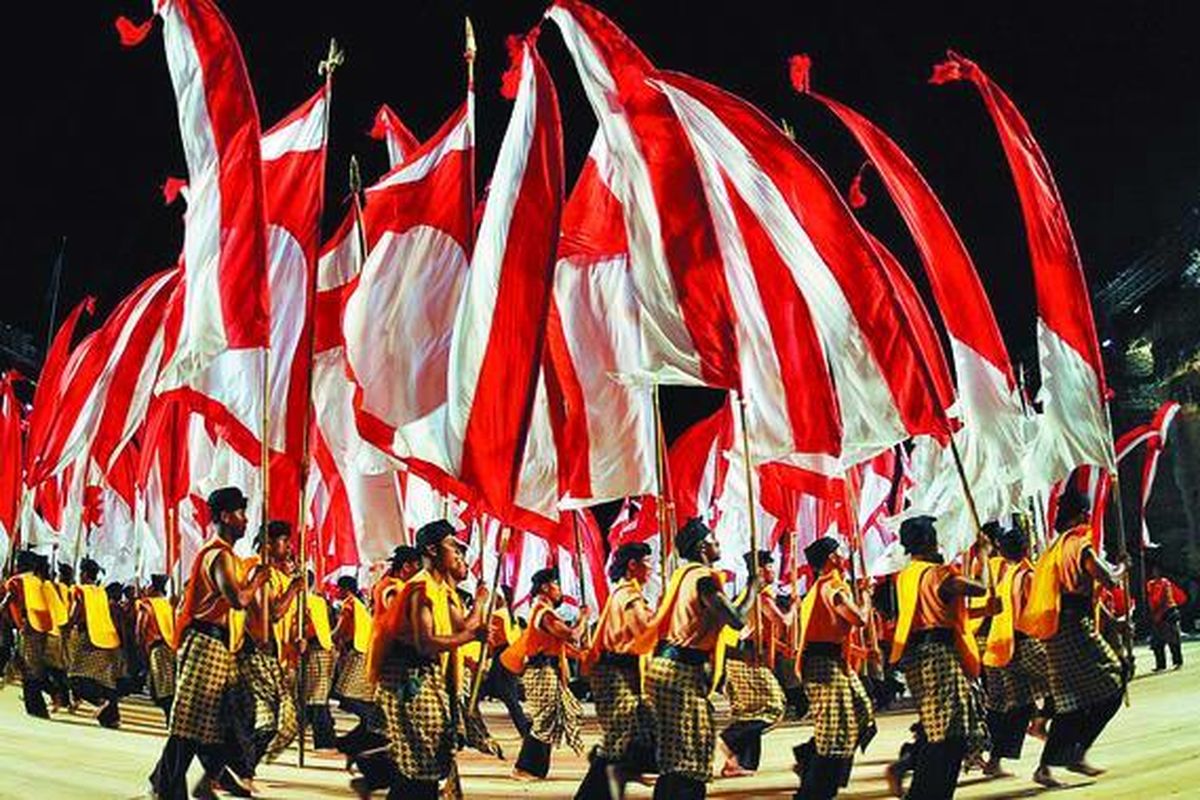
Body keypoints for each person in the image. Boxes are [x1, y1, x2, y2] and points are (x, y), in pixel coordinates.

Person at [148, 486, 274, 800]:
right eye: (240, 513)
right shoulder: (219, 555)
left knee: (212, 722)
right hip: (206, 643)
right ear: (223, 516)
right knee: (193, 720)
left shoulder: (228, 556)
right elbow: (237, 600)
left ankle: (191, 781)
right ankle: (166, 785)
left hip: (217, 646)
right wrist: (257, 579)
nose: (245, 520)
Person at [369, 519, 488, 799]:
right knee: (424, 760)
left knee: (430, 757)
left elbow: (463, 627)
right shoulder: (420, 589)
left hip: (428, 678)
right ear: (433, 550)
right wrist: (472, 637)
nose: (458, 552)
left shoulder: (443, 590)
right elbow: (426, 643)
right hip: (409, 678)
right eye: (452, 547)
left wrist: (481, 604)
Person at [647, 518, 759, 800]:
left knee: (683, 747)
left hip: (673, 667)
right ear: (701, 548)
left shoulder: (683, 575)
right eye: (714, 541)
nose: (718, 545)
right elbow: (734, 620)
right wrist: (753, 587)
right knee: (689, 748)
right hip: (678, 670)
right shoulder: (703, 580)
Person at [1022, 487, 1126, 787]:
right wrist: (1122, 568)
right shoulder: (1079, 544)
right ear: (1081, 515)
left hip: (1055, 630)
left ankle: (1048, 767)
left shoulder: (1051, 550)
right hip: (1073, 627)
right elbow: (1105, 577)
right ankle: (1076, 752)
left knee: (1069, 701)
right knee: (1114, 680)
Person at [884, 516, 990, 800]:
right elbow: (980, 588)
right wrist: (983, 556)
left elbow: (936, 612)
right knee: (948, 733)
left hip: (916, 655)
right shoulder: (938, 573)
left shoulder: (906, 575)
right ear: (930, 542)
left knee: (938, 729)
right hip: (938, 655)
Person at [792, 537, 876, 800]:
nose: (844, 555)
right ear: (831, 557)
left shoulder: (827, 587)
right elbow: (859, 619)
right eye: (839, 551)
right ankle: (814, 789)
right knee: (834, 732)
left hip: (834, 663)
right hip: (823, 667)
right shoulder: (832, 589)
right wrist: (866, 596)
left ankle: (809, 756)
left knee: (861, 713)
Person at [576, 542, 658, 799]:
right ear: (632, 565)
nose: (651, 567)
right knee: (622, 733)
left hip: (618, 671)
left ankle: (617, 777)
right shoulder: (628, 596)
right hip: (615, 672)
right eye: (647, 561)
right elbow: (644, 633)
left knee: (627, 732)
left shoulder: (624, 593)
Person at [225, 520, 302, 791]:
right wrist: (294, 588)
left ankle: (238, 772)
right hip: (254, 654)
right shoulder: (258, 570)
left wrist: (295, 643)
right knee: (271, 723)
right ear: (269, 544)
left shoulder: (273, 574)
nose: (290, 547)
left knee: (278, 722)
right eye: (285, 541)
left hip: (271, 658)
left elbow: (281, 621)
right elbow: (271, 615)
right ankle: (239, 772)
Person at [980, 525, 1051, 779]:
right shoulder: (1026, 575)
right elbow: (1035, 613)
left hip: (999, 646)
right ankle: (1041, 722)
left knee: (1016, 706)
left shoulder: (1003, 571)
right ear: (1026, 547)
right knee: (1062, 682)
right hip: (1021, 643)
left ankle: (995, 761)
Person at [511, 567, 589, 780]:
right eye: (556, 584)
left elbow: (559, 644)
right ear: (545, 587)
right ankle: (524, 767)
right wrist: (583, 618)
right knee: (545, 718)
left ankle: (535, 768)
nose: (559, 590)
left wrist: (582, 655)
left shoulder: (542, 609)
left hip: (548, 669)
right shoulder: (543, 612)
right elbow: (570, 635)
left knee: (552, 716)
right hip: (542, 671)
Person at [717, 550, 789, 778]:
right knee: (772, 706)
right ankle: (729, 739)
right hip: (744, 657)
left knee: (750, 710)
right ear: (758, 571)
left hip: (740, 656)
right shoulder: (762, 596)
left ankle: (739, 763)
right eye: (769, 566)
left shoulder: (748, 594)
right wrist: (795, 607)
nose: (773, 570)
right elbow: (782, 621)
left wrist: (781, 648)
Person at [66, 558, 124, 728]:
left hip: (88, 639)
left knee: (75, 678)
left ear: (83, 574)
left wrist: (65, 626)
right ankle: (112, 719)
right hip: (108, 640)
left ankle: (100, 702)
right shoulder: (101, 592)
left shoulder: (80, 591)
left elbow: (75, 614)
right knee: (105, 682)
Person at [331, 575, 383, 759]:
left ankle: (372, 723)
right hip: (363, 650)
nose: (336, 591)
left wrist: (328, 638)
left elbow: (341, 629)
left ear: (345, 589)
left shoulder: (349, 604)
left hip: (360, 651)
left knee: (347, 694)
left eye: (338, 588)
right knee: (353, 694)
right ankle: (366, 727)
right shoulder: (357, 603)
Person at [3, 550, 53, 718]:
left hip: (26, 628)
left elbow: (9, 598)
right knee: (32, 666)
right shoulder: (37, 581)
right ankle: (37, 705)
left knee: (29, 668)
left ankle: (39, 706)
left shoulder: (16, 582)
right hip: (40, 628)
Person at [292, 569, 337, 751]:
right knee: (312, 697)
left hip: (314, 651)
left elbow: (310, 629)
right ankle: (322, 738)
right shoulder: (320, 601)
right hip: (322, 651)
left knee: (315, 698)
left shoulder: (306, 602)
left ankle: (325, 740)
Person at [136, 573, 177, 722]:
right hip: (173, 648)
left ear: (153, 587)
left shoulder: (147, 605)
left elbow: (140, 629)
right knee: (167, 686)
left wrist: (140, 651)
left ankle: (170, 720)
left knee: (163, 690)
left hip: (158, 649)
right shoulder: (170, 604)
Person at [43, 561, 74, 710]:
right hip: (64, 632)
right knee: (60, 668)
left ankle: (59, 696)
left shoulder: (59, 588)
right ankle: (65, 699)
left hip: (54, 631)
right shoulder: (69, 589)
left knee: (51, 668)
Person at [1146, 562, 1186, 671]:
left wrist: (1158, 612)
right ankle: (1161, 665)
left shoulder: (1164, 583)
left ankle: (1177, 662)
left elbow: (1160, 599)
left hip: (1168, 613)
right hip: (1158, 613)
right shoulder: (1151, 583)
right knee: (1157, 642)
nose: (1155, 572)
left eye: (1157, 570)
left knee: (1173, 640)